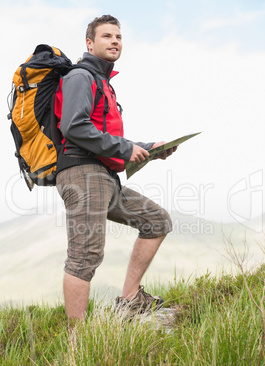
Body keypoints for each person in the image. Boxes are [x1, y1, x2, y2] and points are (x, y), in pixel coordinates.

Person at [55, 14, 177, 322]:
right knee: (85, 257)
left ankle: (130, 299)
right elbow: (74, 127)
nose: (114, 41)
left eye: (118, 37)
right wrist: (125, 148)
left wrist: (149, 150)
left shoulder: (102, 82)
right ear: (89, 43)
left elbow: (103, 135)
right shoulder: (80, 77)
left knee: (157, 221)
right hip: (83, 174)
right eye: (107, 36)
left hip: (105, 176)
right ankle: (78, 344)